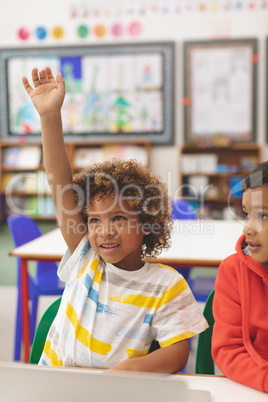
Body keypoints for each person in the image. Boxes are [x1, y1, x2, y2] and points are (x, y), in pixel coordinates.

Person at [22, 66, 207, 373]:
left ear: (147, 221)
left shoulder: (166, 285)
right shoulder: (87, 260)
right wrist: (49, 117)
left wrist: (125, 373)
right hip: (52, 386)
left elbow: (177, 354)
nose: (105, 231)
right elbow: (60, 184)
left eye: (118, 217)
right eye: (94, 221)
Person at [212, 161, 268, 393]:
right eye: (246, 215)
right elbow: (229, 350)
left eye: (263, 216)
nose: (248, 228)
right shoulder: (233, 271)